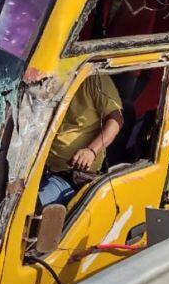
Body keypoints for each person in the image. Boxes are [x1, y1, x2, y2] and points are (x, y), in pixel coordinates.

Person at [39, 74, 124, 206]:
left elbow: (116, 120)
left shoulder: (95, 78)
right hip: (36, 167)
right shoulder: (51, 75)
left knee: (30, 207)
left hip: (69, 175)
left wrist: (91, 151)